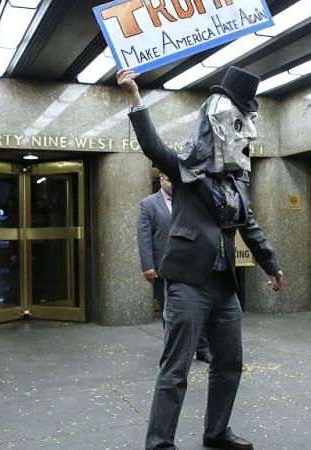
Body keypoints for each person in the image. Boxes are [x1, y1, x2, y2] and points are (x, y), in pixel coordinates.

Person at [119, 66, 284, 450]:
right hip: (187, 282)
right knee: (175, 369)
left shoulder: (239, 179)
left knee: (229, 363)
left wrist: (271, 264)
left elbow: (250, 225)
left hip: (224, 284)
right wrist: (134, 96)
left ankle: (216, 432)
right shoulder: (186, 169)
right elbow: (152, 146)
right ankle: (160, 443)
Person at [137, 173, 211, 364]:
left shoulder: (188, 200)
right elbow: (144, 237)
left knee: (197, 308)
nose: (173, 184)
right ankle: (173, 353)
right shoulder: (148, 204)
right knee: (169, 313)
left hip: (191, 265)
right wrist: (148, 266)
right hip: (164, 268)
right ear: (161, 179)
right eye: (169, 180)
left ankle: (202, 348)